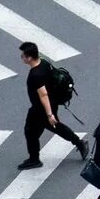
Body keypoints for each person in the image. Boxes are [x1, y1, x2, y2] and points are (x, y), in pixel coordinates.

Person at [18, 41, 87, 170]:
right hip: (52, 102)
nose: (21, 57)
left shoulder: (35, 75)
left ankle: (34, 159)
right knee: (50, 128)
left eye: (23, 55)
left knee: (31, 132)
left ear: (29, 58)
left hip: (41, 109)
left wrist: (49, 114)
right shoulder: (44, 62)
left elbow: (43, 94)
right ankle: (79, 143)